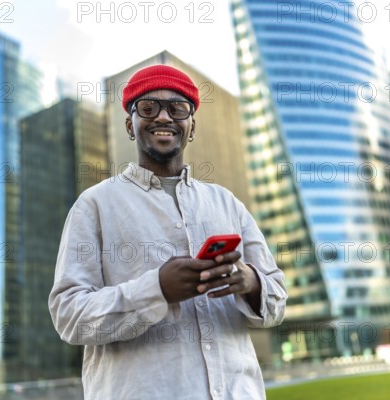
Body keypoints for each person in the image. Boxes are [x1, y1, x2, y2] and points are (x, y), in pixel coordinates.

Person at [49, 65, 287, 399]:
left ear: (191, 127)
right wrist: (156, 289)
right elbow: (70, 316)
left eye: (177, 108)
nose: (164, 117)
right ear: (130, 125)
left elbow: (276, 301)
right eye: (148, 108)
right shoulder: (94, 205)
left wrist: (249, 281)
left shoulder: (227, 203)